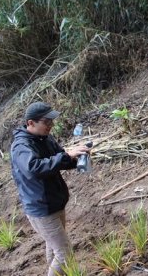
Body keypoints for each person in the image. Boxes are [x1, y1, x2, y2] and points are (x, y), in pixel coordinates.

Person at [11, 102, 90, 276]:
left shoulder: (45, 138)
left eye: (51, 121)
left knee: (54, 247)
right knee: (64, 252)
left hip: (55, 202)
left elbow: (59, 159)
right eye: (46, 122)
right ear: (31, 123)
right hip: (41, 208)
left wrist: (77, 157)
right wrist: (65, 155)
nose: (51, 125)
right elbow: (34, 169)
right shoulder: (21, 146)